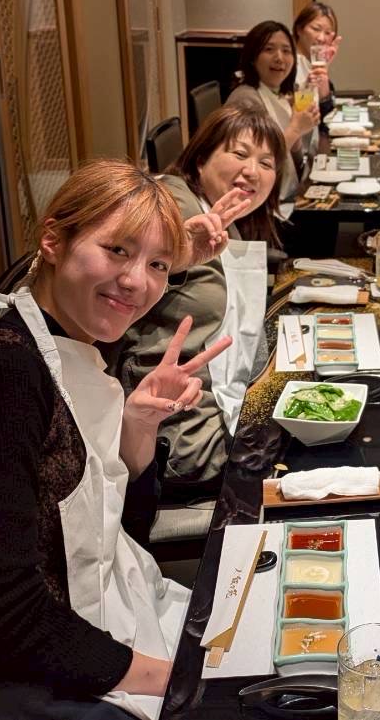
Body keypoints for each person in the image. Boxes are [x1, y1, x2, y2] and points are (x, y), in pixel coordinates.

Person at [0, 160, 241, 719]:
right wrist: (171, 675)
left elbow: (114, 542)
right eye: (117, 251)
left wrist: (136, 428)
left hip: (45, 636)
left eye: (158, 264)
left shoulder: (76, 352)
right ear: (53, 240)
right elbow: (0, 612)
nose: (137, 282)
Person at [108, 104, 285, 495]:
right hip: (180, 435)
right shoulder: (174, 204)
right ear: (201, 157)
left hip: (216, 407)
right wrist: (177, 254)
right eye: (239, 154)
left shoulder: (218, 214)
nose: (252, 171)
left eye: (266, 163)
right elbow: (134, 273)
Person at [226, 20, 319, 201]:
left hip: (286, 192)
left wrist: (298, 132)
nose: (279, 58)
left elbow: (295, 163)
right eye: (269, 49)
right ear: (252, 57)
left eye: (286, 51)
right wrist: (295, 129)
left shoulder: (279, 94)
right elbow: (256, 163)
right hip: (258, 202)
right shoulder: (246, 99)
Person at [291, 1, 340, 117]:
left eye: (328, 33)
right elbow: (300, 113)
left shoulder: (315, 64)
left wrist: (324, 72)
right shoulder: (288, 64)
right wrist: (308, 87)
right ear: (299, 29)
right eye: (316, 29)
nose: (321, 38)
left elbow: (325, 116)